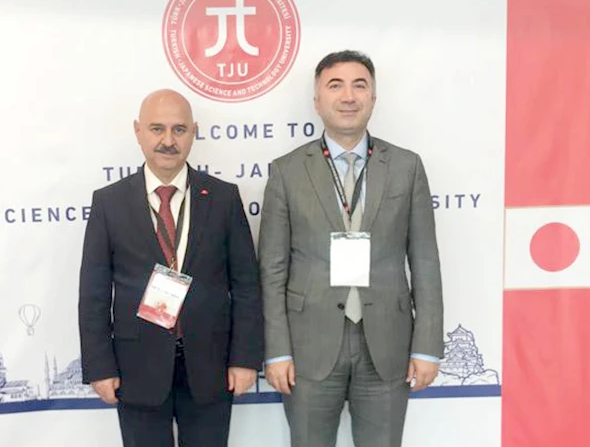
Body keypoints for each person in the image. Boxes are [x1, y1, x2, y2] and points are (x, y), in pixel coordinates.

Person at [258, 50, 444, 447]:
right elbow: (272, 270)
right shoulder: (286, 171)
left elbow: (425, 261)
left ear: (373, 98)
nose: (348, 96)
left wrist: (428, 347)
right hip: (308, 347)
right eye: (335, 85)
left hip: (387, 345)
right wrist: (277, 352)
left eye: (359, 86)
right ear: (317, 100)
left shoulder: (406, 167)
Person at [78, 89, 263, 447]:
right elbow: (94, 293)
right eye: (156, 128)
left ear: (194, 132)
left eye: (179, 129)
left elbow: (246, 286)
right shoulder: (109, 203)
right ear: (138, 131)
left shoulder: (223, 197)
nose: (168, 140)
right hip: (136, 368)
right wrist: (100, 367)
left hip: (210, 366)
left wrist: (244, 359)